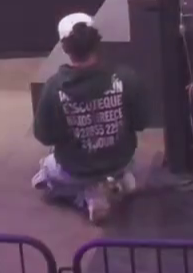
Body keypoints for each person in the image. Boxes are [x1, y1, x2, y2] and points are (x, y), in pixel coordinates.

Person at [32, 13, 146, 224]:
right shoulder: (125, 77)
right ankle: (117, 182)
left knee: (44, 173)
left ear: (65, 47)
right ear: (97, 41)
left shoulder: (54, 87)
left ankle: (87, 195)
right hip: (120, 160)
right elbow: (141, 122)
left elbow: (44, 135)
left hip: (76, 169)